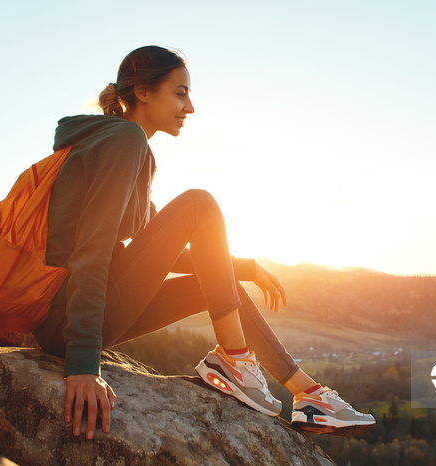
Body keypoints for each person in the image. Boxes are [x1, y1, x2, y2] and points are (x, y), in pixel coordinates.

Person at [31, 45, 376, 439]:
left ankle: (309, 395)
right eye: (180, 93)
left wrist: (240, 267)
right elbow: (90, 253)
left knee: (213, 283)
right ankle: (235, 362)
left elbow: (158, 252)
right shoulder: (122, 140)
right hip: (66, 319)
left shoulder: (134, 152)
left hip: (81, 316)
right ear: (143, 91)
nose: (190, 107)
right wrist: (83, 367)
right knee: (201, 204)